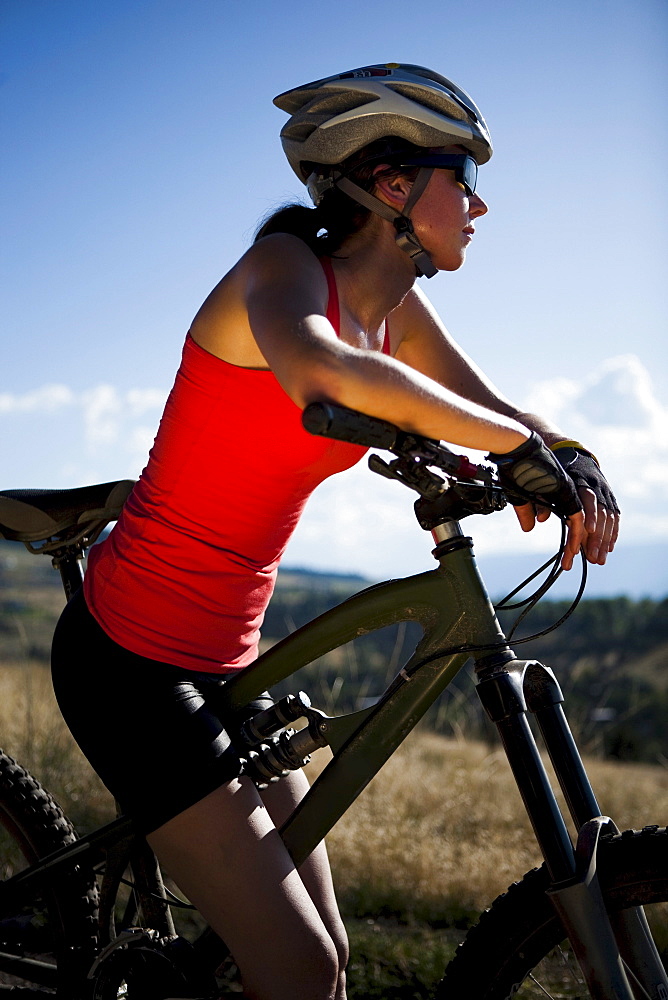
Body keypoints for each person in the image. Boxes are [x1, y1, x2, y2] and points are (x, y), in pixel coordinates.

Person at [51, 63, 619, 1000]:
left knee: (331, 968)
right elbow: (325, 371)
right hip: (132, 663)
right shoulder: (283, 270)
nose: (479, 205)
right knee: (301, 971)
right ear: (394, 186)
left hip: (227, 658)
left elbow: (477, 402)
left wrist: (567, 454)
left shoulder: (396, 311)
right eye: (462, 178)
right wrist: (519, 449)